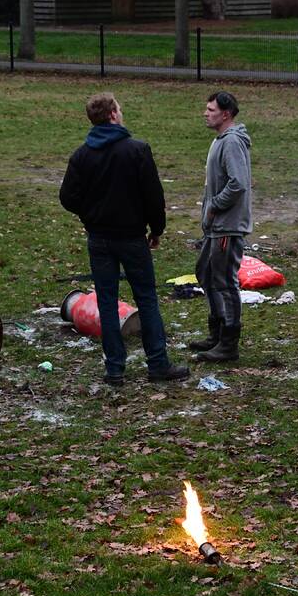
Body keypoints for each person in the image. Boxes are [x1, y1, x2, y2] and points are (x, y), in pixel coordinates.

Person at [60, 93, 189, 387]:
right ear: (113, 115)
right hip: (132, 237)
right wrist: (156, 229)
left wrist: (89, 214)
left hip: (99, 238)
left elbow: (67, 197)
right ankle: (157, 363)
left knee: (106, 302)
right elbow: (154, 197)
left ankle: (115, 368)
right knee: (146, 298)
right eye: (119, 108)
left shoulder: (81, 156)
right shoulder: (137, 151)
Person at [191, 91, 252, 363]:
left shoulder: (232, 143)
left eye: (211, 109)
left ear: (225, 114)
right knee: (205, 272)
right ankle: (216, 332)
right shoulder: (220, 141)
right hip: (215, 227)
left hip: (227, 226)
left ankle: (229, 343)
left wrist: (215, 205)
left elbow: (238, 183)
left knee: (225, 282)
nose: (206, 113)